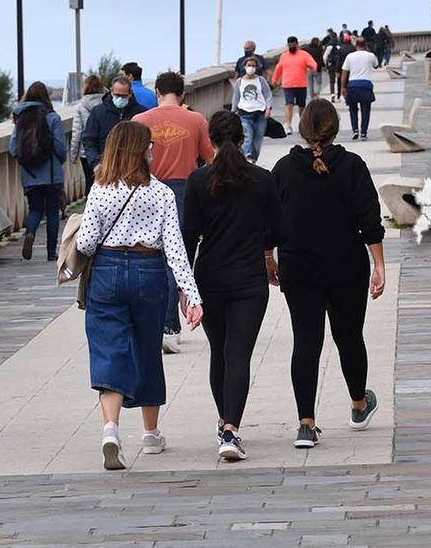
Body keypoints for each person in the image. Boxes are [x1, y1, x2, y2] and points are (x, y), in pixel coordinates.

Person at [76, 121, 203, 470]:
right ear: (139, 150)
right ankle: (150, 433)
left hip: (108, 270)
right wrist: (191, 296)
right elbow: (175, 249)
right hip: (149, 272)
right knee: (147, 349)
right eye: (149, 145)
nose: (153, 150)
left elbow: (86, 242)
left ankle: (111, 429)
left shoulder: (100, 190)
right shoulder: (161, 193)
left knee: (110, 349)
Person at [269, 99, 385, 449]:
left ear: (303, 130)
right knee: (349, 336)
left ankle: (306, 423)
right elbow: (370, 220)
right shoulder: (352, 166)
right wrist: (379, 265)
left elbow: (270, 222)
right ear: (335, 129)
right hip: (346, 266)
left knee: (306, 341)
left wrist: (268, 259)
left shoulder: (283, 169)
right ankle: (358, 405)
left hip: (298, 266)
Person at [182, 111, 285, 461]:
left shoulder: (198, 181)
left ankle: (224, 420)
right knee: (238, 354)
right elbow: (280, 229)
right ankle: (231, 430)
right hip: (249, 280)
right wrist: (264, 248)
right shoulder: (262, 179)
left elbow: (187, 237)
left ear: (209, 142)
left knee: (219, 351)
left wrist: (185, 287)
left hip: (209, 277)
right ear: (242, 139)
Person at [132, 71, 214, 354]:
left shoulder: (140, 122)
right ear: (183, 95)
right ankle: (170, 327)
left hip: (146, 190)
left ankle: (149, 324)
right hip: (184, 191)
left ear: (157, 92)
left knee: (147, 257)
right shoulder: (196, 120)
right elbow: (209, 159)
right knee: (175, 259)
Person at [9, 81, 67, 262]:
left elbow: (13, 147)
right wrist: (60, 161)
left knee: (34, 209)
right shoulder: (52, 117)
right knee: (52, 212)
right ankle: (51, 252)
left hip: (30, 174)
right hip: (51, 174)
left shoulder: (20, 117)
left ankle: (30, 233)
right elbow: (59, 146)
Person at [83, 76, 148, 170]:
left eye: (123, 96)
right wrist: (95, 163)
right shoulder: (98, 112)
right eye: (117, 95)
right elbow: (89, 139)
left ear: (130, 94)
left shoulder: (141, 113)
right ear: (111, 92)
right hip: (105, 166)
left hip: (133, 167)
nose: (120, 99)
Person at [271, 36, 319, 136]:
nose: (292, 47)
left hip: (301, 84)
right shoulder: (284, 56)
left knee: (302, 106)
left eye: (293, 45)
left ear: (297, 44)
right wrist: (275, 80)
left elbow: (313, 64)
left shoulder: (304, 55)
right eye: (290, 45)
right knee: (289, 105)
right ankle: (288, 125)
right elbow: (279, 68)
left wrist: (312, 67)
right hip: (288, 84)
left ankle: (302, 125)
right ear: (287, 45)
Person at [231, 56, 274, 162]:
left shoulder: (261, 80)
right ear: (244, 67)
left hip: (260, 114)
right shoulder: (240, 82)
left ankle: (254, 159)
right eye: (249, 65)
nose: (251, 68)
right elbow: (236, 98)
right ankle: (247, 157)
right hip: (244, 113)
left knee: (257, 141)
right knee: (247, 136)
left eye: (253, 66)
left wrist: (268, 108)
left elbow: (268, 95)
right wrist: (232, 112)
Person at [341, 37, 379, 141]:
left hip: (352, 84)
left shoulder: (350, 56)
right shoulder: (370, 55)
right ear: (365, 44)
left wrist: (343, 87)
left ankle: (355, 130)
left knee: (353, 109)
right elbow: (376, 65)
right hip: (366, 84)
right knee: (365, 110)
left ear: (355, 45)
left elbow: (344, 73)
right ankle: (363, 133)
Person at [72, 75, 106, 192]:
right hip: (104, 150)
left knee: (89, 181)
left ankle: (90, 206)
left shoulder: (80, 106)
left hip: (85, 152)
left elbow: (77, 132)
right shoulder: (106, 104)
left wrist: (73, 155)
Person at [329, 35, 356, 102]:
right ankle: (349, 95)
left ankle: (339, 95)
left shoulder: (341, 48)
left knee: (340, 82)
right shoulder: (353, 48)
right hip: (351, 67)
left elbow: (338, 61)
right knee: (349, 82)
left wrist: (337, 70)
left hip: (342, 68)